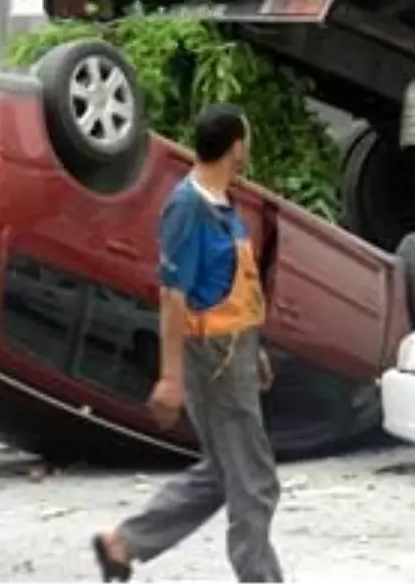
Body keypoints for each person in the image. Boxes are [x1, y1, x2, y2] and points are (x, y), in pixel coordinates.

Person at [92, 103, 282, 584]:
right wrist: (172, 376)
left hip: (233, 350)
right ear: (236, 146)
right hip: (211, 359)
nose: (249, 147)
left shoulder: (222, 202)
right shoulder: (187, 207)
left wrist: (252, 347)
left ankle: (124, 544)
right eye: (248, 138)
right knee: (254, 480)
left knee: (223, 472)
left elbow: (226, 286)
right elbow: (173, 296)